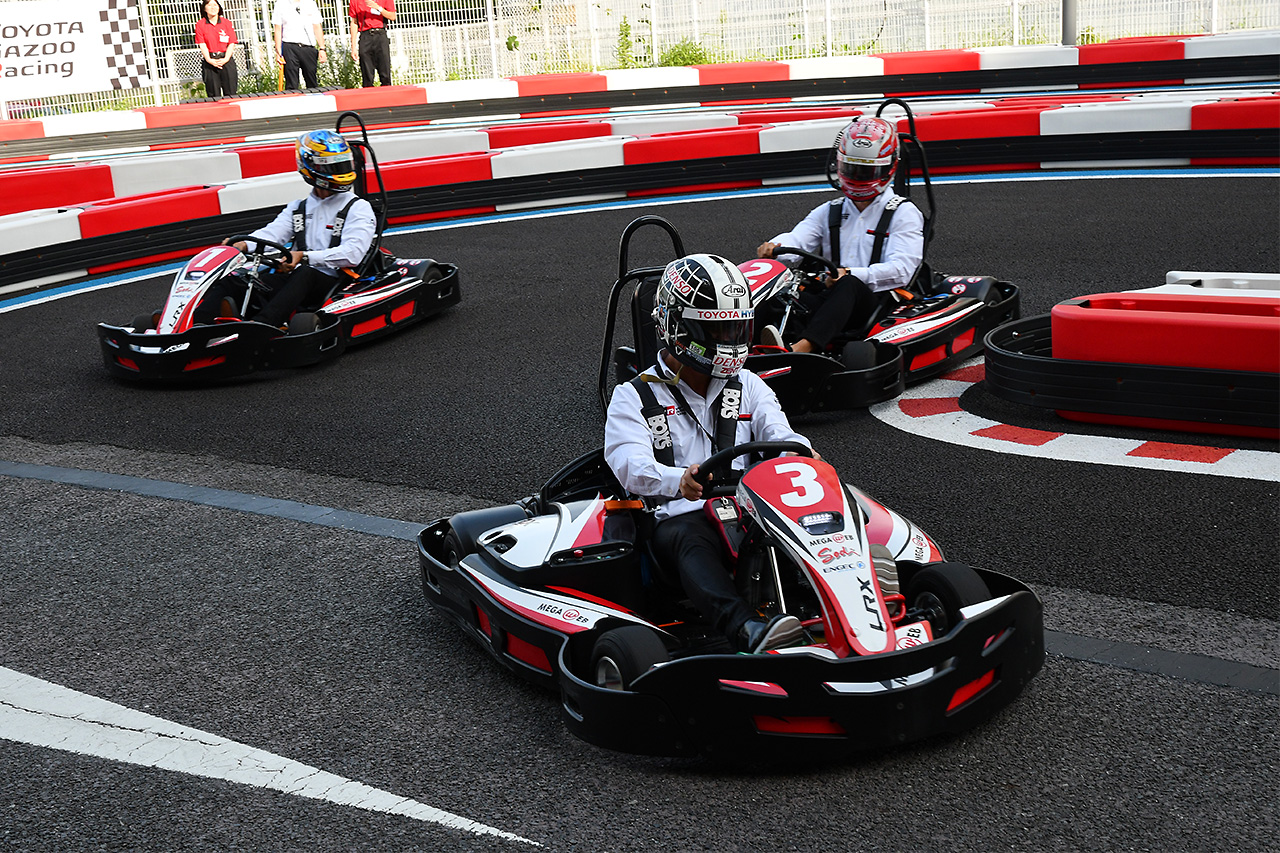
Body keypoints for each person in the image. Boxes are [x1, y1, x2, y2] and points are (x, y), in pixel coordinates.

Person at [604, 254, 817, 654]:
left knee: (831, 505)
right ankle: (747, 630)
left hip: (754, 510)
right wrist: (678, 480)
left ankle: (859, 594)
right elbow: (630, 465)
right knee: (691, 537)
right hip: (678, 519)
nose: (730, 341)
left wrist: (802, 455)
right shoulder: (634, 396)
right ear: (678, 327)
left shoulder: (749, 384)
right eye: (717, 330)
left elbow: (780, 435)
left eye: (736, 328)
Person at [756, 116, 924, 353]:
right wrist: (774, 247)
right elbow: (798, 238)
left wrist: (850, 273)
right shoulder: (831, 210)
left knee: (849, 285)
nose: (857, 177)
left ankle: (802, 349)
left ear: (888, 168)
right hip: (831, 298)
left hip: (875, 303)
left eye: (865, 171)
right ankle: (743, 342)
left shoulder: (903, 213)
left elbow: (902, 270)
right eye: (851, 169)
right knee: (778, 290)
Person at [198, 129, 376, 329]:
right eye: (333, 166)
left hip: (334, 280)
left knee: (305, 273)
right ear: (310, 166)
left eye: (342, 165)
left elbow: (353, 254)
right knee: (237, 280)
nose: (339, 171)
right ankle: (194, 326)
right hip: (295, 279)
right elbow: (273, 234)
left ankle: (260, 326)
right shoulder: (299, 208)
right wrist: (243, 244)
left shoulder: (358, 207)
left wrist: (304, 257)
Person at [272, 0, 326, 91]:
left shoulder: (310, 3)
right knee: (291, 82)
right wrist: (278, 52)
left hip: (308, 46)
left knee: (311, 80)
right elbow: (278, 29)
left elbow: (317, 26)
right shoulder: (280, 4)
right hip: (289, 46)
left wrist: (322, 48)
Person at [193, 0, 238, 99]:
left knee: (231, 93)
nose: (213, 7)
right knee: (213, 94)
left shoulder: (226, 23)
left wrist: (226, 59)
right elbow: (202, 44)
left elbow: (231, 42)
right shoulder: (200, 24)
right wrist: (209, 60)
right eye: (209, 5)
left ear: (219, 7)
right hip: (210, 61)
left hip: (226, 59)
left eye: (215, 5)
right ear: (204, 8)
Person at [348, 0, 395, 87]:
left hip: (380, 35)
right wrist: (353, 46)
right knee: (367, 76)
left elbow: (392, 16)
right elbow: (354, 22)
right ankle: (368, 92)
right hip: (365, 35)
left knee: (385, 75)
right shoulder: (355, 1)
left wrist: (378, 8)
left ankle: (387, 92)